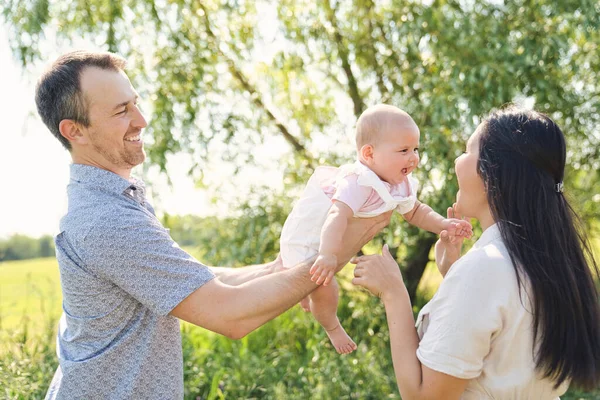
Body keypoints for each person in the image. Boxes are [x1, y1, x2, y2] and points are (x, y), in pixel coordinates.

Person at [37, 50, 392, 400]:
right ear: (75, 131)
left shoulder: (116, 201)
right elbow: (230, 315)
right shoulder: (107, 219)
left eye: (135, 103)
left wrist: (279, 269)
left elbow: (201, 280)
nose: (141, 119)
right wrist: (342, 246)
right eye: (121, 111)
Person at [351, 107, 600, 399]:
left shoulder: (485, 269)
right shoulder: (549, 260)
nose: (458, 160)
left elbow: (424, 396)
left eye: (468, 150)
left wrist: (393, 292)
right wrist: (453, 275)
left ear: (491, 173)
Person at [279, 104, 472, 354]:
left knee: (316, 285)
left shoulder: (399, 184)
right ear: (369, 154)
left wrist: (444, 225)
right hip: (311, 240)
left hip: (333, 240)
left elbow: (416, 211)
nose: (414, 157)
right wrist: (327, 254)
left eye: (415, 149)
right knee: (326, 285)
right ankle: (332, 326)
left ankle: (308, 294)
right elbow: (337, 215)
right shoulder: (357, 181)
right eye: (403, 150)